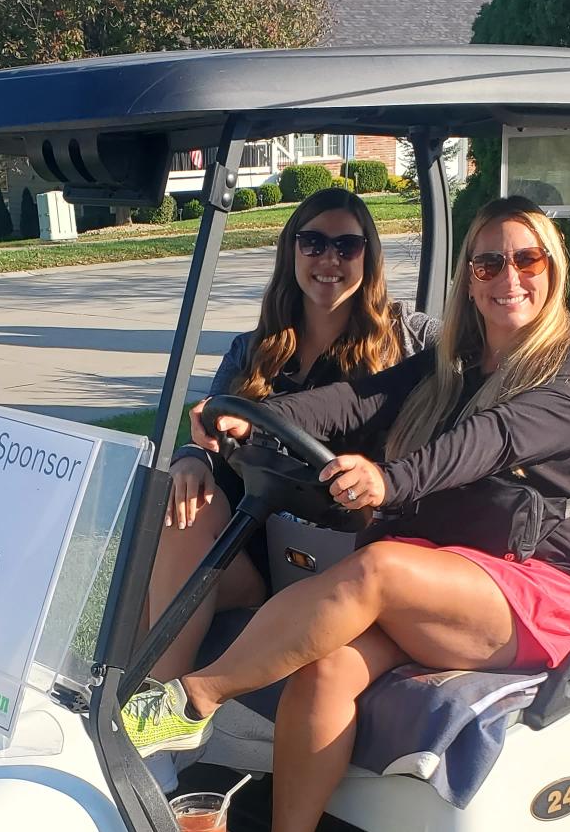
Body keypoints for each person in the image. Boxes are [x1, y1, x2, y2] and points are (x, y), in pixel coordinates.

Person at [126, 195, 570, 832]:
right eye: (488, 263)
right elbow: (355, 400)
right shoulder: (454, 364)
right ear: (469, 278)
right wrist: (251, 414)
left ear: (554, 269)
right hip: (450, 577)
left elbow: (496, 437)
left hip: (550, 587)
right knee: (326, 666)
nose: (508, 277)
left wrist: (391, 481)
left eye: (526, 259)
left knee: (377, 567)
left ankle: (192, 699)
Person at [144, 186, 439, 684]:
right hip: (260, 549)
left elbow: (481, 347)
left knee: (158, 583)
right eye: (313, 243)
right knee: (182, 514)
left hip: (348, 554)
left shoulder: (406, 339)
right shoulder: (254, 350)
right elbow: (207, 435)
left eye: (347, 246)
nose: (330, 259)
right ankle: (137, 702)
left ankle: (147, 708)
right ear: (292, 251)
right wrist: (190, 458)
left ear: (368, 255)